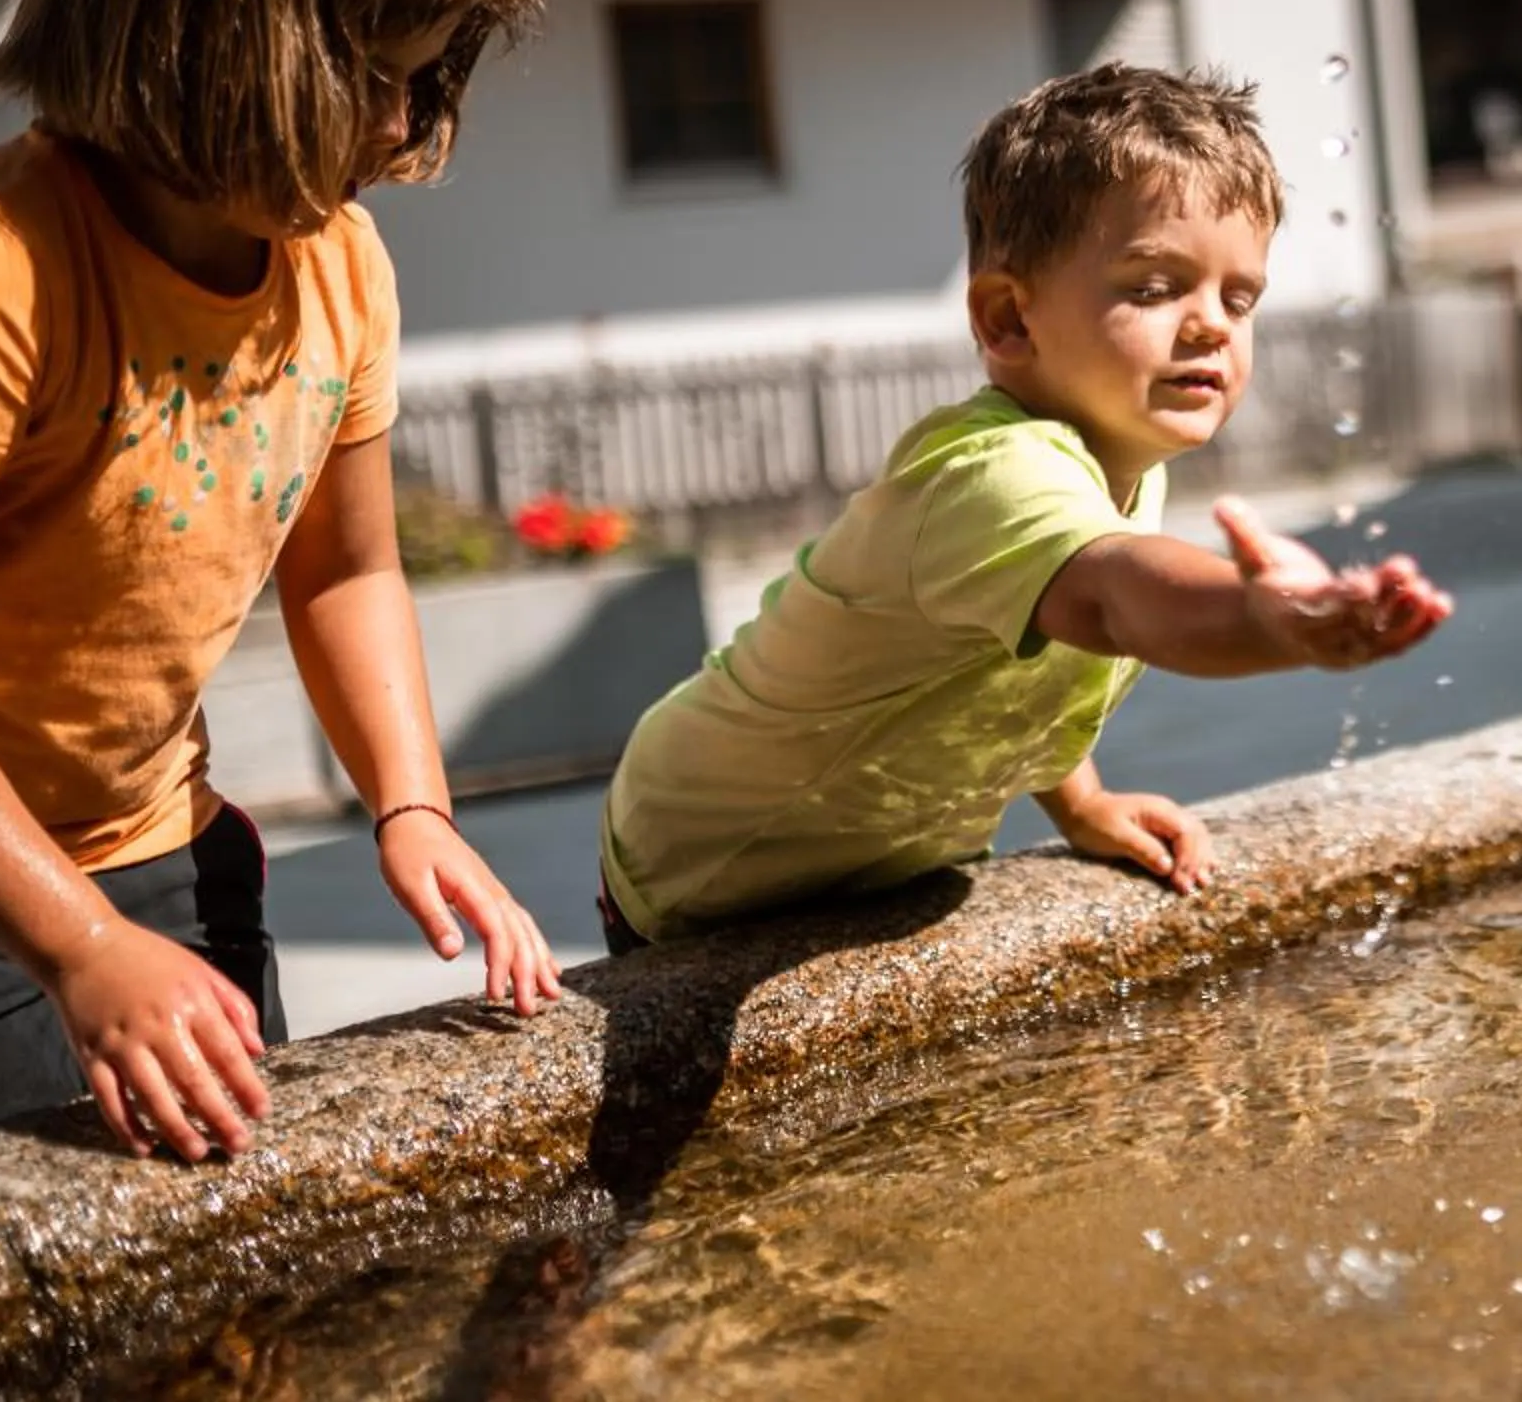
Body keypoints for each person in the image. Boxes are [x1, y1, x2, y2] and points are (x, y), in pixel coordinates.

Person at [0, 0, 568, 1163]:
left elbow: (348, 569)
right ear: (202, 31)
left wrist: (411, 808)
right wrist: (73, 948)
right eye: (372, 73)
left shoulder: (338, 262)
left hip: (172, 862)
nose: (400, 124)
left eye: (427, 81)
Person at [597, 64, 1452, 949]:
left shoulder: (1119, 468)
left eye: (1239, 297)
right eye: (1155, 287)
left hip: (857, 863)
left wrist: (1080, 802)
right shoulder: (991, 476)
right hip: (702, 872)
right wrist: (1258, 618)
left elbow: (1023, 658)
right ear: (1008, 319)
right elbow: (1121, 597)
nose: (1211, 326)